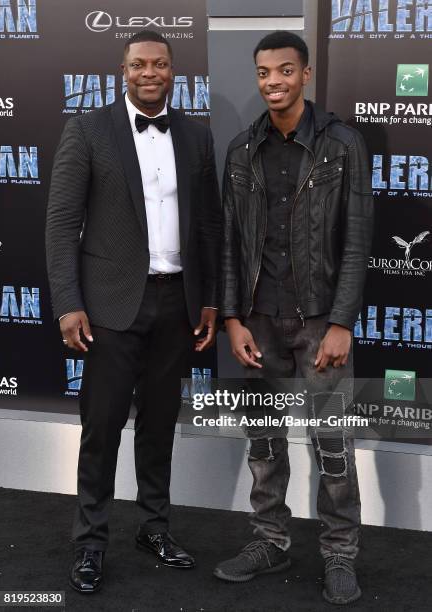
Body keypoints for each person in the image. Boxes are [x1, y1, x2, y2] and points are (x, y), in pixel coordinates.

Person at [46, 30, 221, 593]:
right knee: (100, 428)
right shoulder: (88, 128)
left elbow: (211, 227)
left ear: (174, 71)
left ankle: (154, 526)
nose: (151, 72)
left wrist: (211, 298)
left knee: (159, 423)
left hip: (177, 303)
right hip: (109, 306)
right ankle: (90, 542)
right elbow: (60, 224)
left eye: (161, 64)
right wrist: (69, 304)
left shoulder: (196, 135)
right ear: (123, 70)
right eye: (140, 64)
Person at [215, 31, 373, 605]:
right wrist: (233, 319)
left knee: (333, 444)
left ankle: (339, 555)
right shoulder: (241, 149)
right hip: (258, 323)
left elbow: (356, 242)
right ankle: (270, 541)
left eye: (284, 71)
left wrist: (341, 321)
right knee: (264, 443)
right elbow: (231, 244)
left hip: (319, 323)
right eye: (263, 73)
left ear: (305, 75)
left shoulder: (341, 144)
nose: (273, 82)